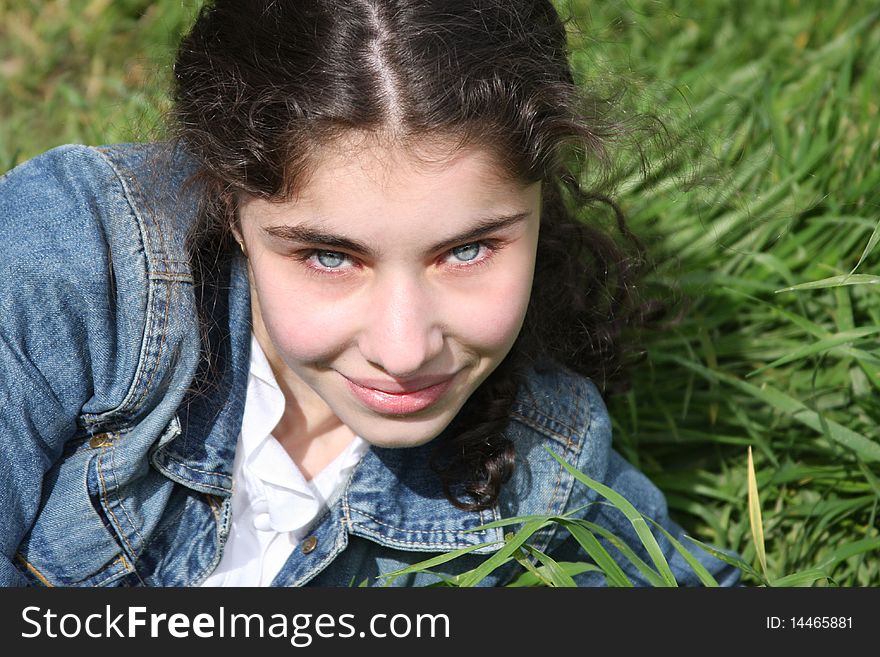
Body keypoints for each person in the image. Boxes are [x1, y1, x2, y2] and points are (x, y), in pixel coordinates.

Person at [0, 0, 739, 587]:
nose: (403, 349)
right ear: (226, 195)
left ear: (543, 200)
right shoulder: (69, 262)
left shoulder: (543, 454)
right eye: (329, 256)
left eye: (469, 250)